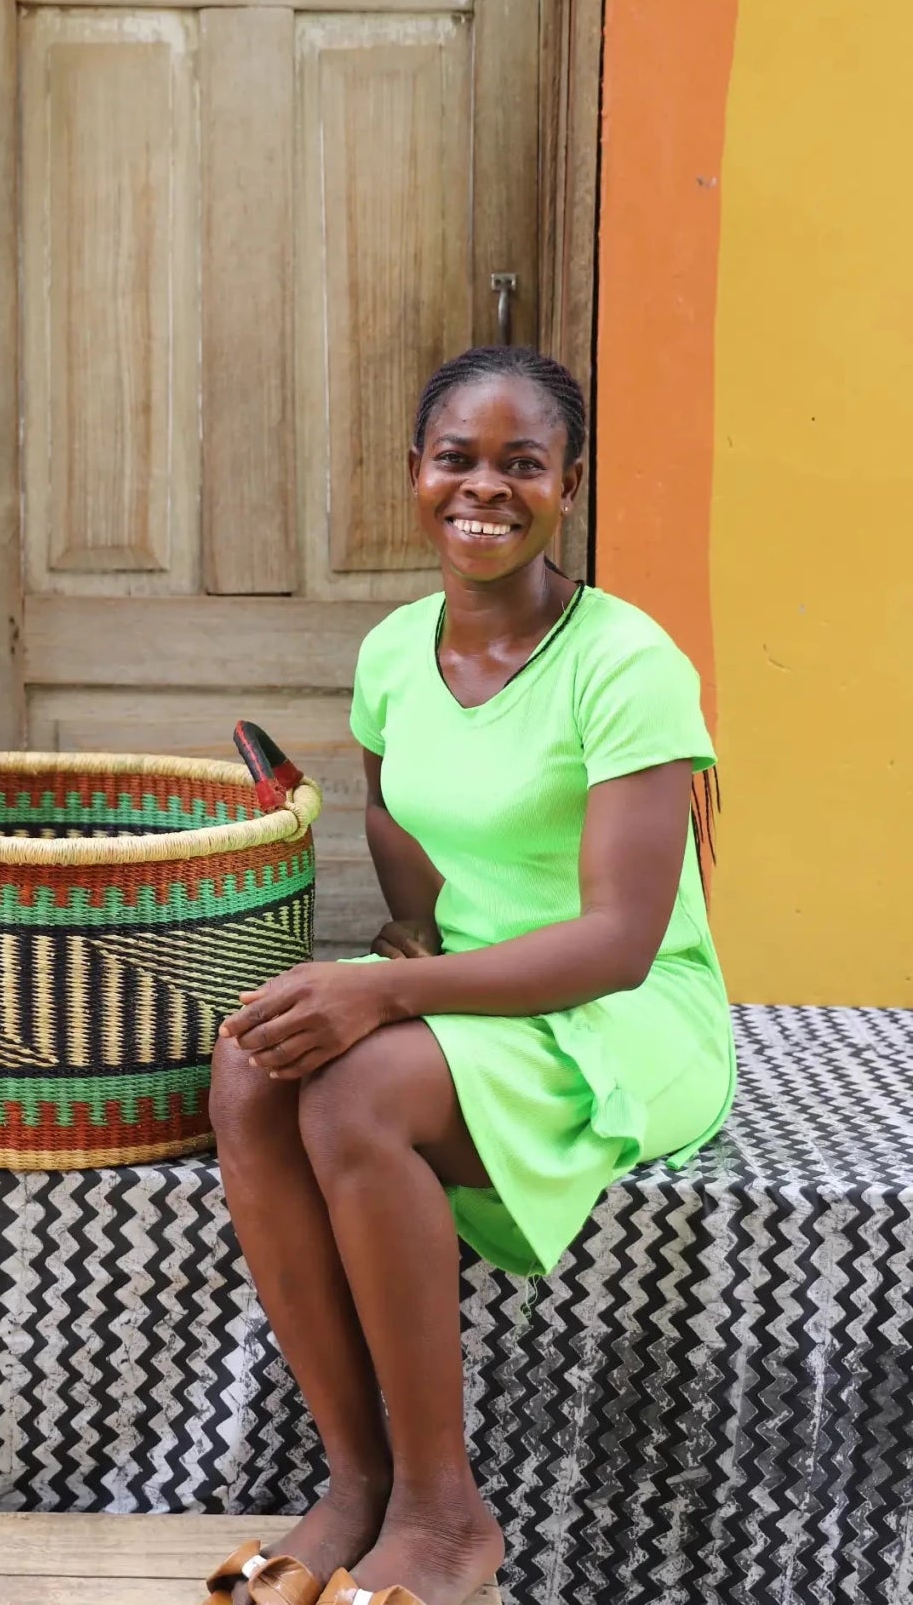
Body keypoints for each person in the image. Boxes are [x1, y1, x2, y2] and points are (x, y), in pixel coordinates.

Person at [202, 347, 735, 1605]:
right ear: (415, 475)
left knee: (354, 1089)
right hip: (474, 992)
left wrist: (389, 995)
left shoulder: (626, 663)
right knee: (248, 1063)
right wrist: (405, 937)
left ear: (571, 485)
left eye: (521, 464)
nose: (482, 489)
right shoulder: (395, 648)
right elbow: (394, 807)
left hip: (625, 1013)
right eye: (457, 459)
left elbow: (620, 937)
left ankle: (446, 1516)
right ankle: (357, 1480)